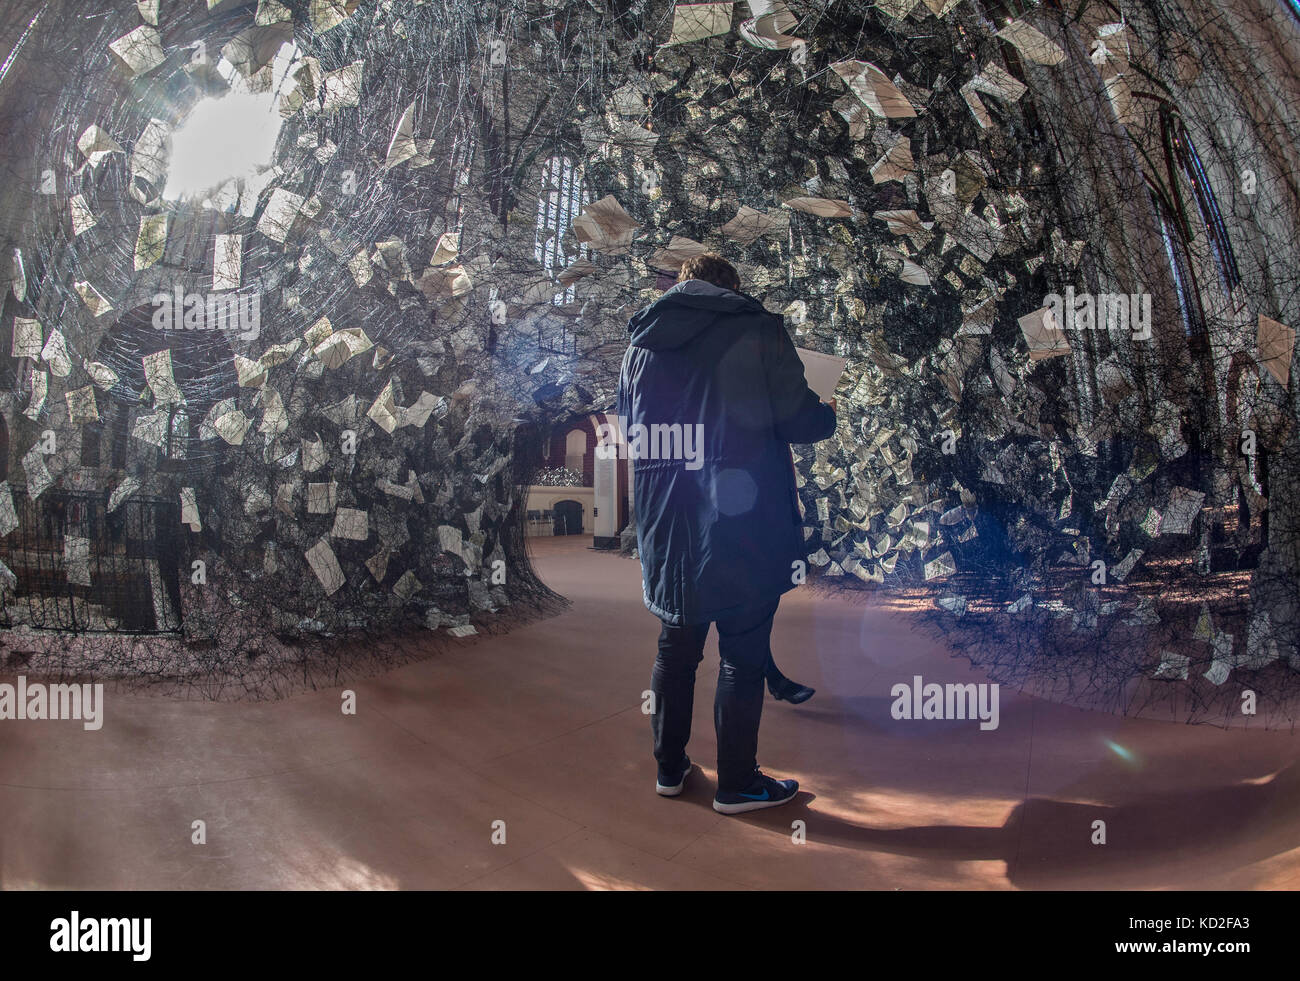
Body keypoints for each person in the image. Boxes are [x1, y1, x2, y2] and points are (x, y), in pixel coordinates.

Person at [616, 253, 836, 814]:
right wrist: (825, 411)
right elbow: (798, 419)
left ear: (685, 283)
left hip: (668, 520)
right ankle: (738, 784)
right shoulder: (757, 326)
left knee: (676, 647)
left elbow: (630, 431)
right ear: (730, 287)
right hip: (743, 519)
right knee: (742, 653)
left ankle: (669, 769)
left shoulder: (639, 345)